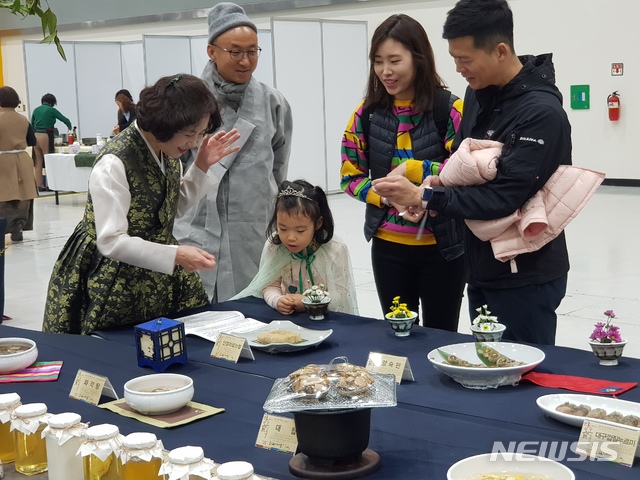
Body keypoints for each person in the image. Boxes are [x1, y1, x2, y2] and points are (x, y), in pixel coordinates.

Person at [372, 0, 572, 345]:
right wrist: (437, 183)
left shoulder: (541, 113)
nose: (458, 68)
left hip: (524, 272)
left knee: (521, 374)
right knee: (488, 370)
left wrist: (425, 194)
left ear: (499, 51)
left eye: (465, 59)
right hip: (481, 266)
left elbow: (505, 196)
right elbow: (462, 166)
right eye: (453, 57)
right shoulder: (479, 94)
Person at [42, 74, 241, 335]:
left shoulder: (167, 150)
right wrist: (176, 255)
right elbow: (111, 240)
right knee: (117, 346)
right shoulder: (115, 161)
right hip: (112, 269)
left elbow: (170, 207)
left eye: (200, 134)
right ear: (164, 123)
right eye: (190, 134)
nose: (193, 143)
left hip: (156, 263)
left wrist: (201, 165)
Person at [340, 14, 465, 331]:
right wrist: (387, 200)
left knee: (440, 336)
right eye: (378, 61)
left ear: (418, 58)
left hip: (444, 249)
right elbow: (349, 177)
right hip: (389, 249)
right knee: (397, 338)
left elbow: (465, 173)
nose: (385, 71)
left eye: (395, 60)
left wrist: (416, 170)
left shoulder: (449, 109)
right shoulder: (366, 114)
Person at [173, 2, 293, 303]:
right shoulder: (187, 101)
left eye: (252, 51)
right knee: (198, 314)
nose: (245, 61)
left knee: (254, 306)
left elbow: (278, 170)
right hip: (198, 224)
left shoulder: (273, 103)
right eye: (235, 51)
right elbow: (173, 167)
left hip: (252, 225)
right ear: (212, 51)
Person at [233, 180, 358, 315]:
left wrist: (310, 301)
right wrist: (277, 300)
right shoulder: (275, 245)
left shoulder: (335, 250)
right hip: (287, 317)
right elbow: (269, 284)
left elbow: (340, 294)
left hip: (324, 317)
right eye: (283, 228)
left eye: (300, 230)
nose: (290, 237)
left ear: (318, 223)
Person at [0, 86, 38, 242]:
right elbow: (31, 141)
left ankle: (3, 227)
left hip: (3, 160)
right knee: (23, 195)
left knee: (4, 194)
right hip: (22, 159)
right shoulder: (23, 119)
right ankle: (18, 227)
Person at [30, 93, 72, 188]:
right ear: (52, 102)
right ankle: (50, 185)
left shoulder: (36, 110)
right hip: (46, 135)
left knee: (38, 161)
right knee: (48, 160)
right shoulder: (51, 110)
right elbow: (65, 120)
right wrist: (69, 127)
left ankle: (39, 185)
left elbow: (32, 124)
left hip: (36, 135)